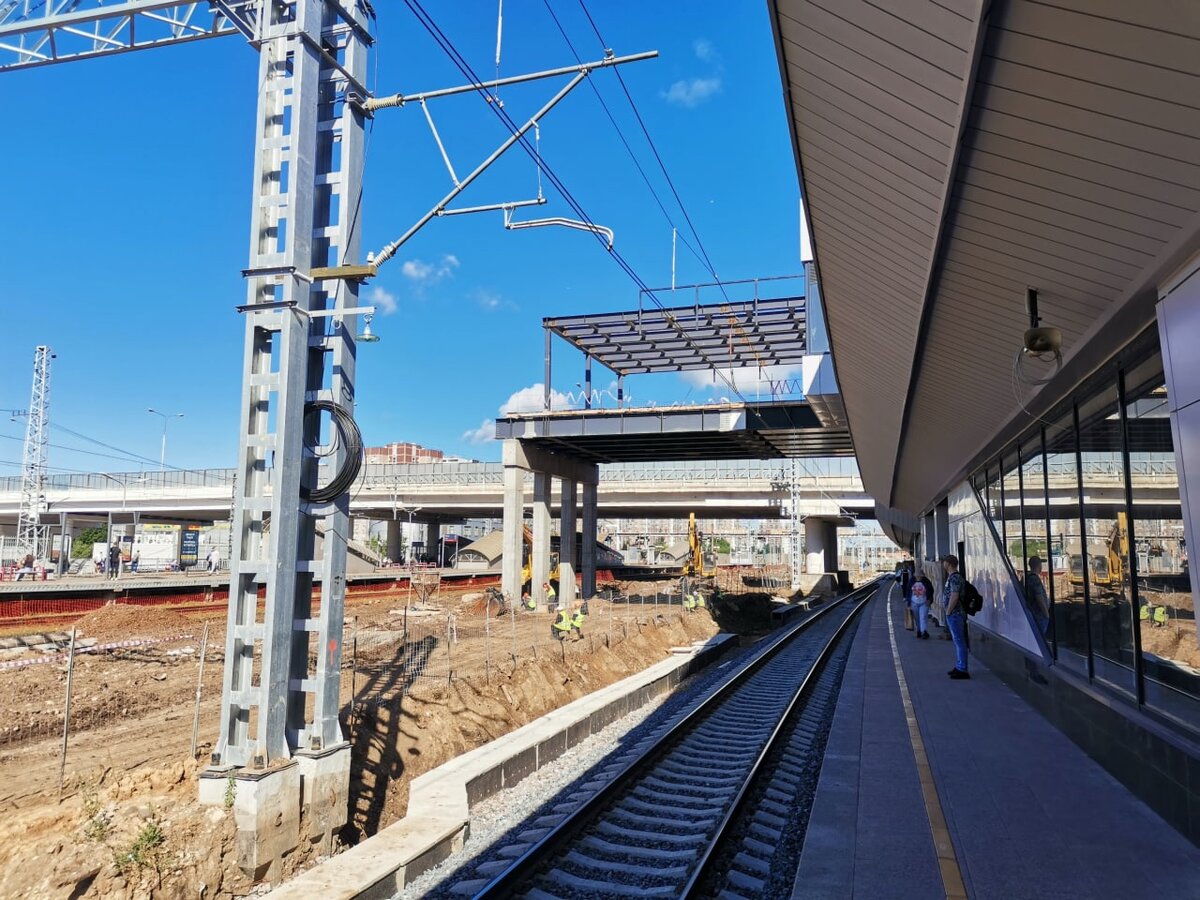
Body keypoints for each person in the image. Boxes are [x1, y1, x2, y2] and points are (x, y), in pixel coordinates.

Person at [942, 554, 969, 679]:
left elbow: (954, 596)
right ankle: (959, 666)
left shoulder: (955, 578)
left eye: (944, 562)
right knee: (957, 641)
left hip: (955, 614)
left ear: (948, 563)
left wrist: (948, 611)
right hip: (954, 614)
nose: (943, 564)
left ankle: (962, 669)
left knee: (959, 641)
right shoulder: (952, 577)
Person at [1025, 556, 1050, 636]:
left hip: (1032, 614)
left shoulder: (1026, 578)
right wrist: (1046, 615)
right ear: (1039, 566)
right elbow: (1039, 598)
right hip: (1039, 616)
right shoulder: (1034, 579)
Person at [910, 566, 932, 639]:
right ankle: (919, 631)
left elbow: (931, 590)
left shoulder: (926, 581)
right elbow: (907, 591)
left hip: (924, 602)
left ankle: (924, 631)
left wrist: (929, 600)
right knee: (917, 618)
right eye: (917, 573)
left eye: (919, 573)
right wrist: (908, 602)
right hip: (914, 602)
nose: (918, 575)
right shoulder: (911, 581)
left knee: (923, 617)